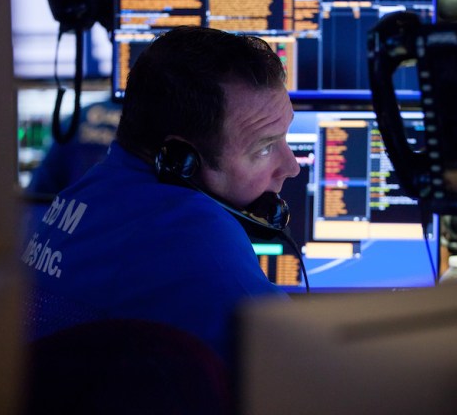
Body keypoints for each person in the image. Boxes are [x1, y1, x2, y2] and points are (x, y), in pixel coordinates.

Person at [22, 26, 300, 363]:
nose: (291, 166)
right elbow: (298, 365)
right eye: (265, 147)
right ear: (182, 161)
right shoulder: (190, 234)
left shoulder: (93, 188)